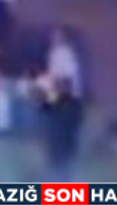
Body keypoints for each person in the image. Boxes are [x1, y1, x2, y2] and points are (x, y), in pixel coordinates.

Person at [34, 27, 87, 176]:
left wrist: (50, 97)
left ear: (64, 38)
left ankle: (62, 169)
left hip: (67, 100)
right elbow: (55, 77)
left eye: (57, 35)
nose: (53, 38)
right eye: (53, 35)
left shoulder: (64, 53)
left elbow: (66, 79)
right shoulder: (55, 53)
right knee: (58, 134)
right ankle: (59, 166)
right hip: (63, 99)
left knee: (61, 134)